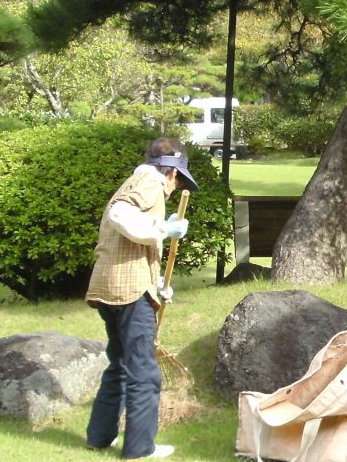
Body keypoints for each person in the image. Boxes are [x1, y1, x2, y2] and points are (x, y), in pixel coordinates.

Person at [84, 137, 198, 459]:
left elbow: (131, 247)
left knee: (119, 365)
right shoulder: (150, 182)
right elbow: (121, 214)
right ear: (172, 175)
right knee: (143, 372)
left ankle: (99, 437)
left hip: (111, 288)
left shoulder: (136, 181)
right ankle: (139, 449)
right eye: (178, 181)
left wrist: (158, 283)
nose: (174, 188)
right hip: (129, 293)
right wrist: (162, 228)